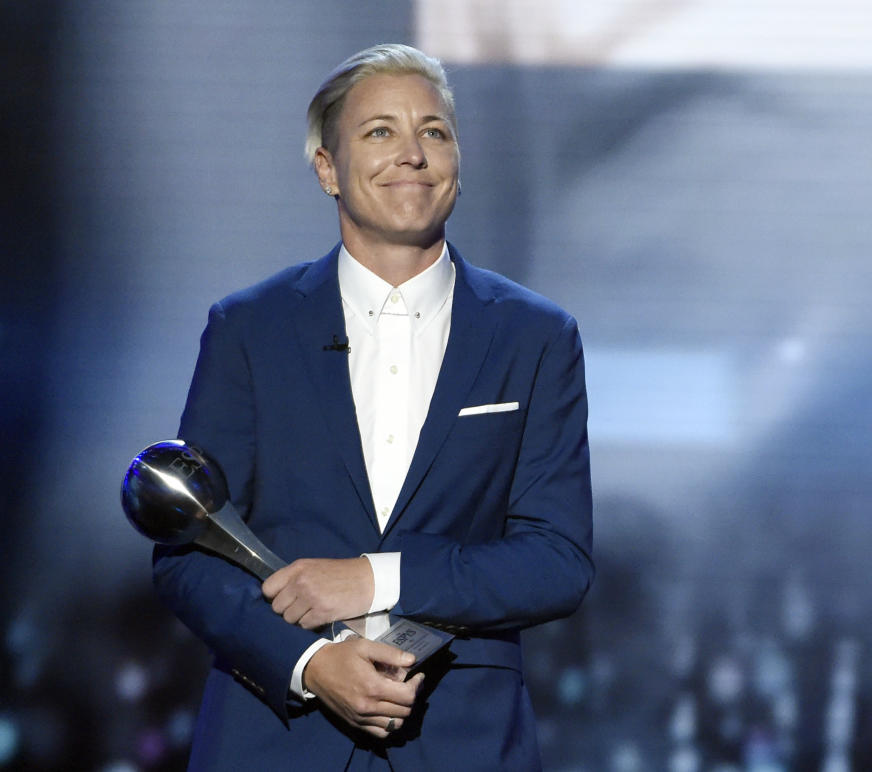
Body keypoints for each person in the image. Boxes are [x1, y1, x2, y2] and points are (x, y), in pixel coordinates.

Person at [153, 43, 593, 770]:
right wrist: (306, 664)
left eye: (435, 131)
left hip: (464, 743)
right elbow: (188, 553)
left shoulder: (536, 336)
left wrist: (376, 576)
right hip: (274, 740)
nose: (412, 153)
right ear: (327, 169)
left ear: (457, 163)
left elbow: (558, 561)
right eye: (379, 131)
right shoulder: (250, 329)